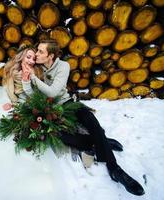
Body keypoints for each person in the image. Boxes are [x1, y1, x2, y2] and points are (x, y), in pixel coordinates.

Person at [22, 39, 145, 196]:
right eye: (37, 51)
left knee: (90, 120)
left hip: (67, 103)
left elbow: (53, 92)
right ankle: (102, 142)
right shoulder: (36, 69)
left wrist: (33, 78)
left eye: (40, 51)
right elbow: (33, 94)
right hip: (50, 110)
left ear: (50, 55)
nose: (37, 54)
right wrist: (28, 80)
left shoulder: (63, 66)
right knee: (62, 137)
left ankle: (115, 169)